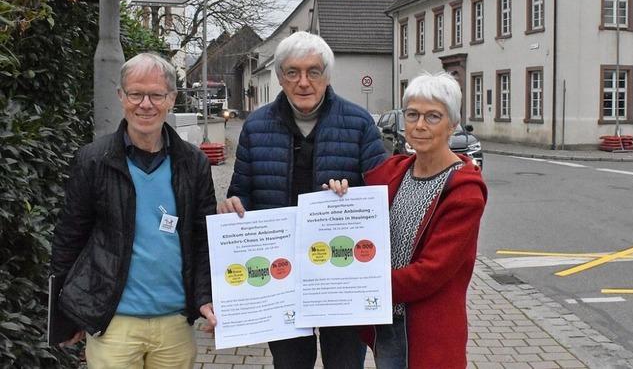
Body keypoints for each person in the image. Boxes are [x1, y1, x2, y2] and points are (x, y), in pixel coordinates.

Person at [217, 31, 386, 368]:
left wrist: (350, 198)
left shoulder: (358, 123)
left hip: (340, 274)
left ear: (327, 76)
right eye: (292, 72)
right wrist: (233, 205)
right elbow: (242, 191)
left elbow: (380, 197)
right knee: (291, 363)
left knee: (344, 363)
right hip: (282, 275)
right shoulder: (257, 125)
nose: (303, 82)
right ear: (279, 77)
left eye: (314, 71)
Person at [51, 52, 218, 368]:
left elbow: (203, 239)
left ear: (171, 98)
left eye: (156, 95)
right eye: (136, 94)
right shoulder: (93, 160)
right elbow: (69, 237)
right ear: (121, 96)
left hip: (176, 323)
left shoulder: (193, 163)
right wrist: (65, 316)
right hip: (114, 322)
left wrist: (206, 299)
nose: (146, 104)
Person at [327, 72, 487, 369]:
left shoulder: (464, 192)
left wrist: (359, 286)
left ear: (452, 125)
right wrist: (338, 199)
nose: (420, 125)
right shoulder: (394, 171)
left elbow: (431, 272)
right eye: (412, 114)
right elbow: (358, 218)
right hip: (387, 322)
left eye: (433, 116)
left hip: (428, 329)